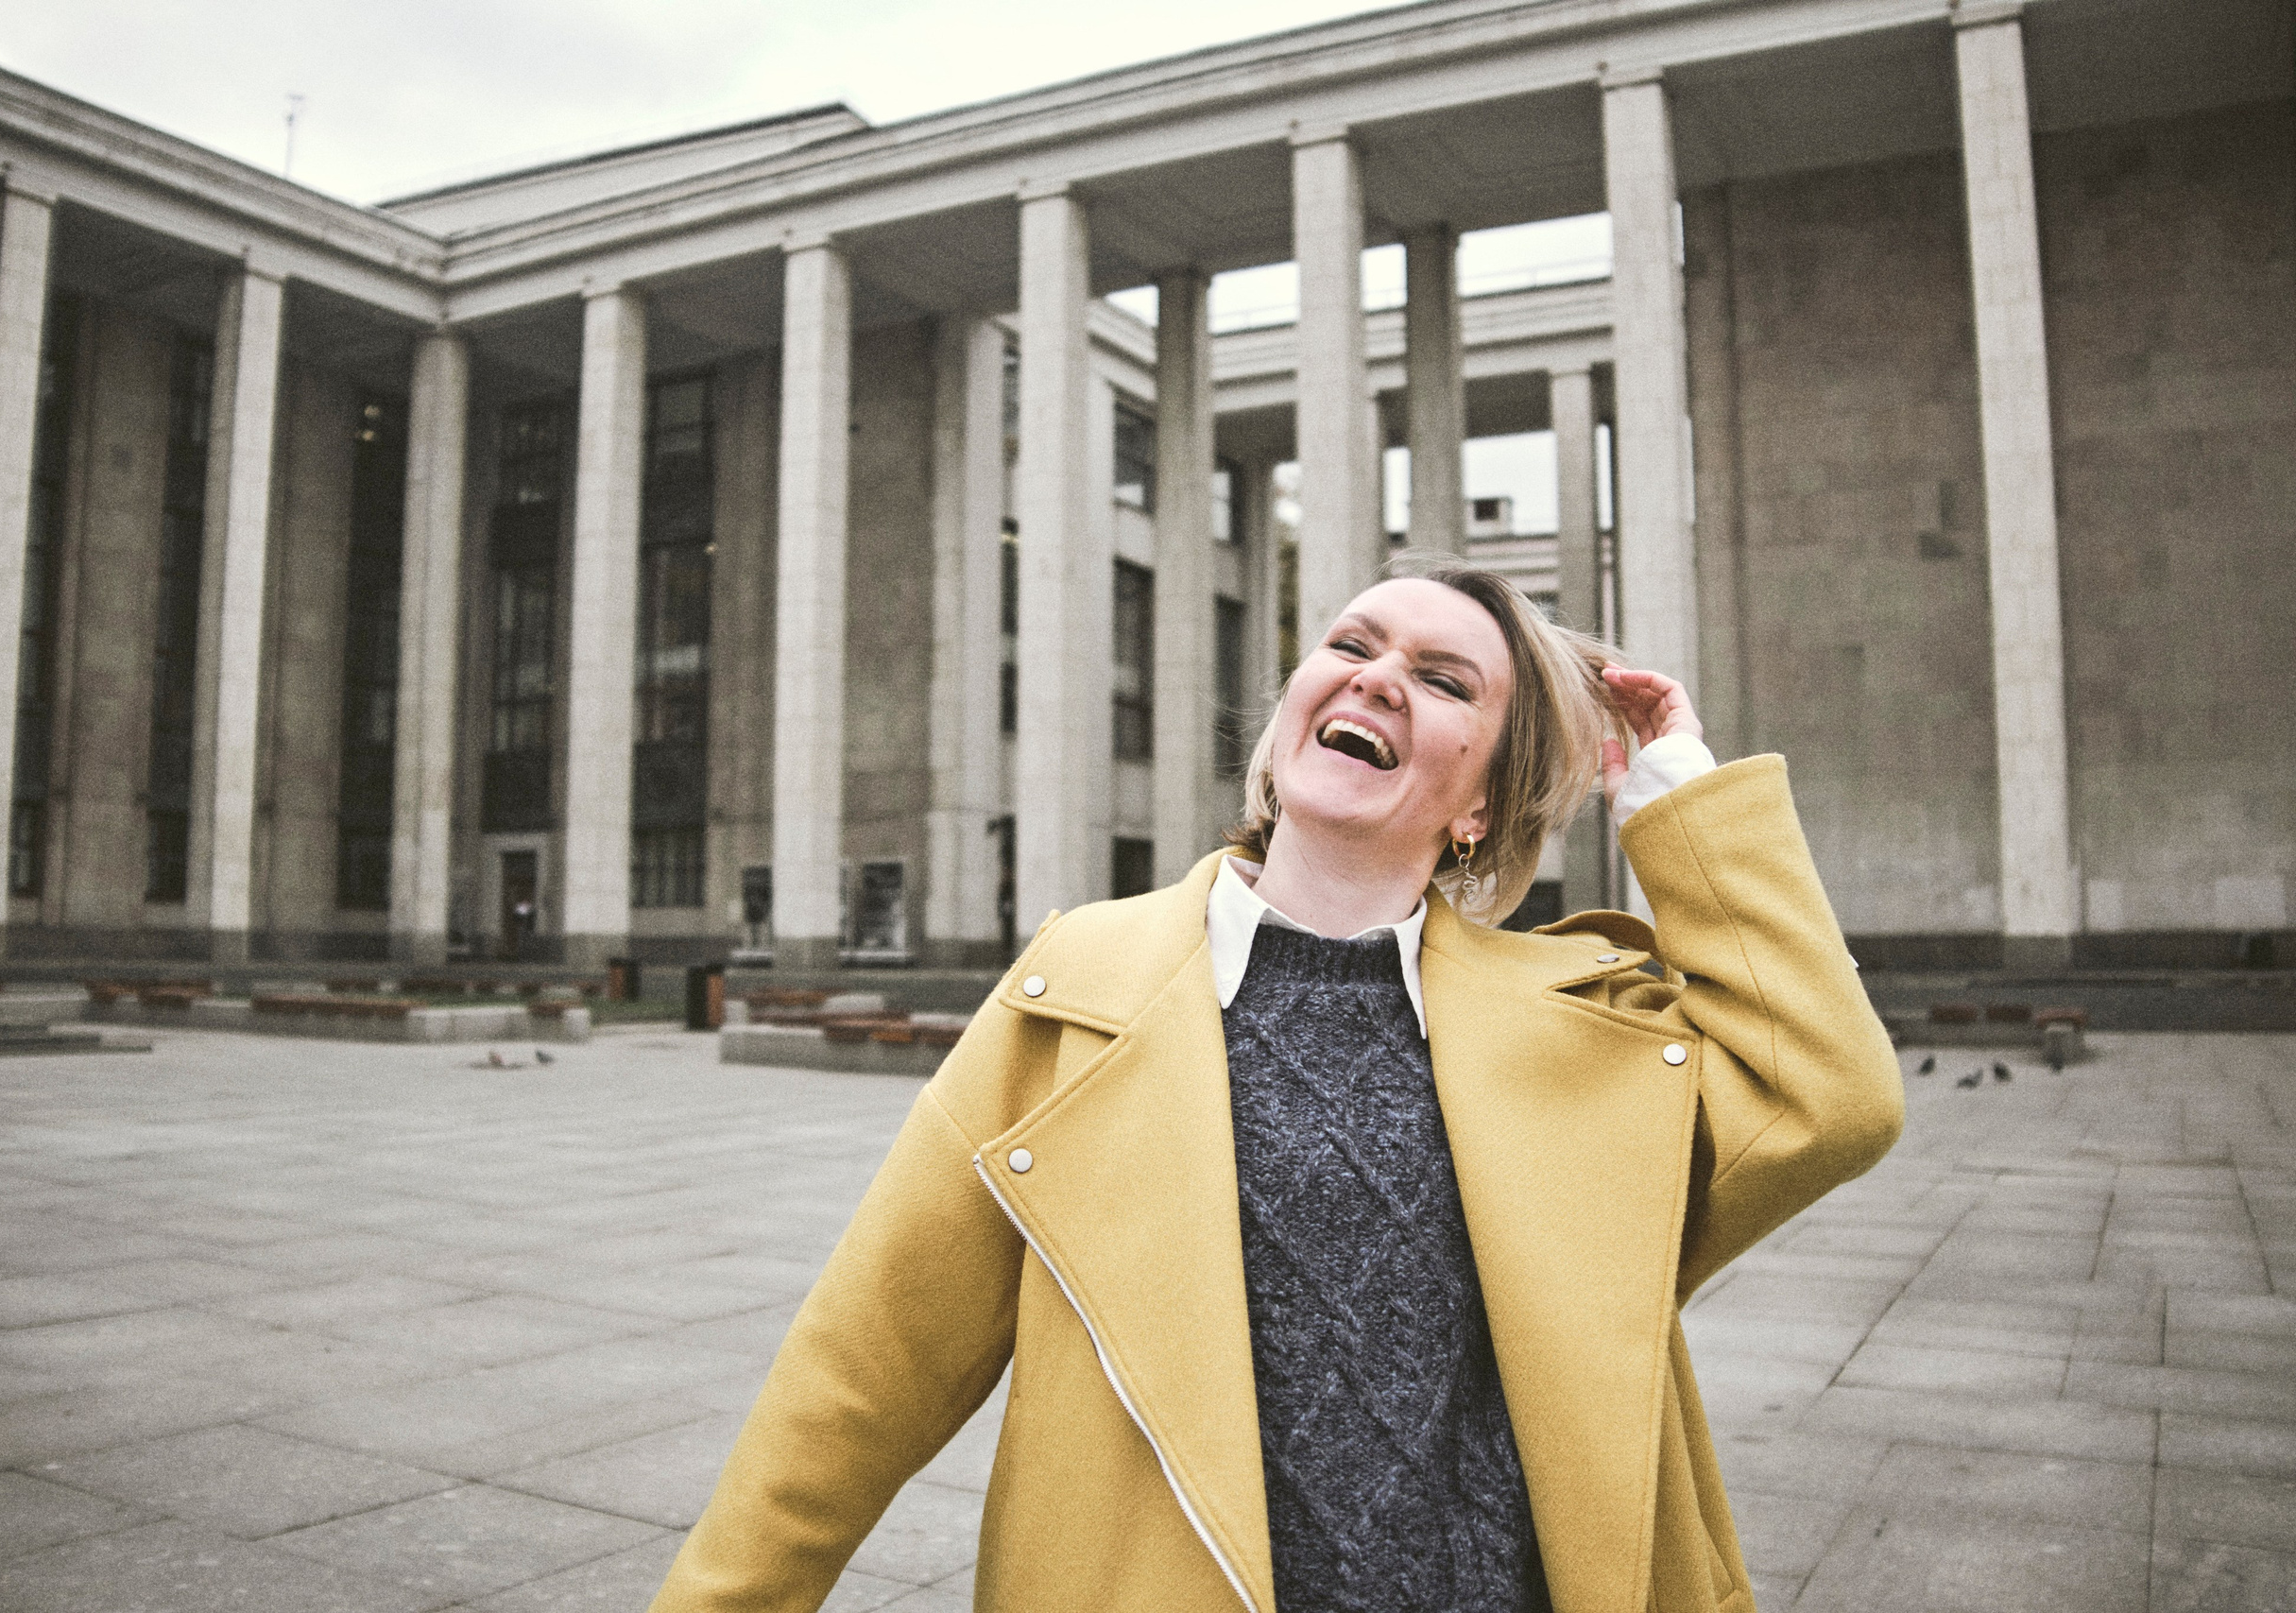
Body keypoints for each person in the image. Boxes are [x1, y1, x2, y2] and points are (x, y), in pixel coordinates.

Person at [646, 552, 1903, 1613]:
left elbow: (1828, 1096)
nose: (1377, 676)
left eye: (1443, 677)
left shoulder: (1579, 1033)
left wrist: (1678, 789)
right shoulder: (1078, 986)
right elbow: (865, 1369)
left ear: (1478, 805)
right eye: (1353, 643)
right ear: (1294, 708)